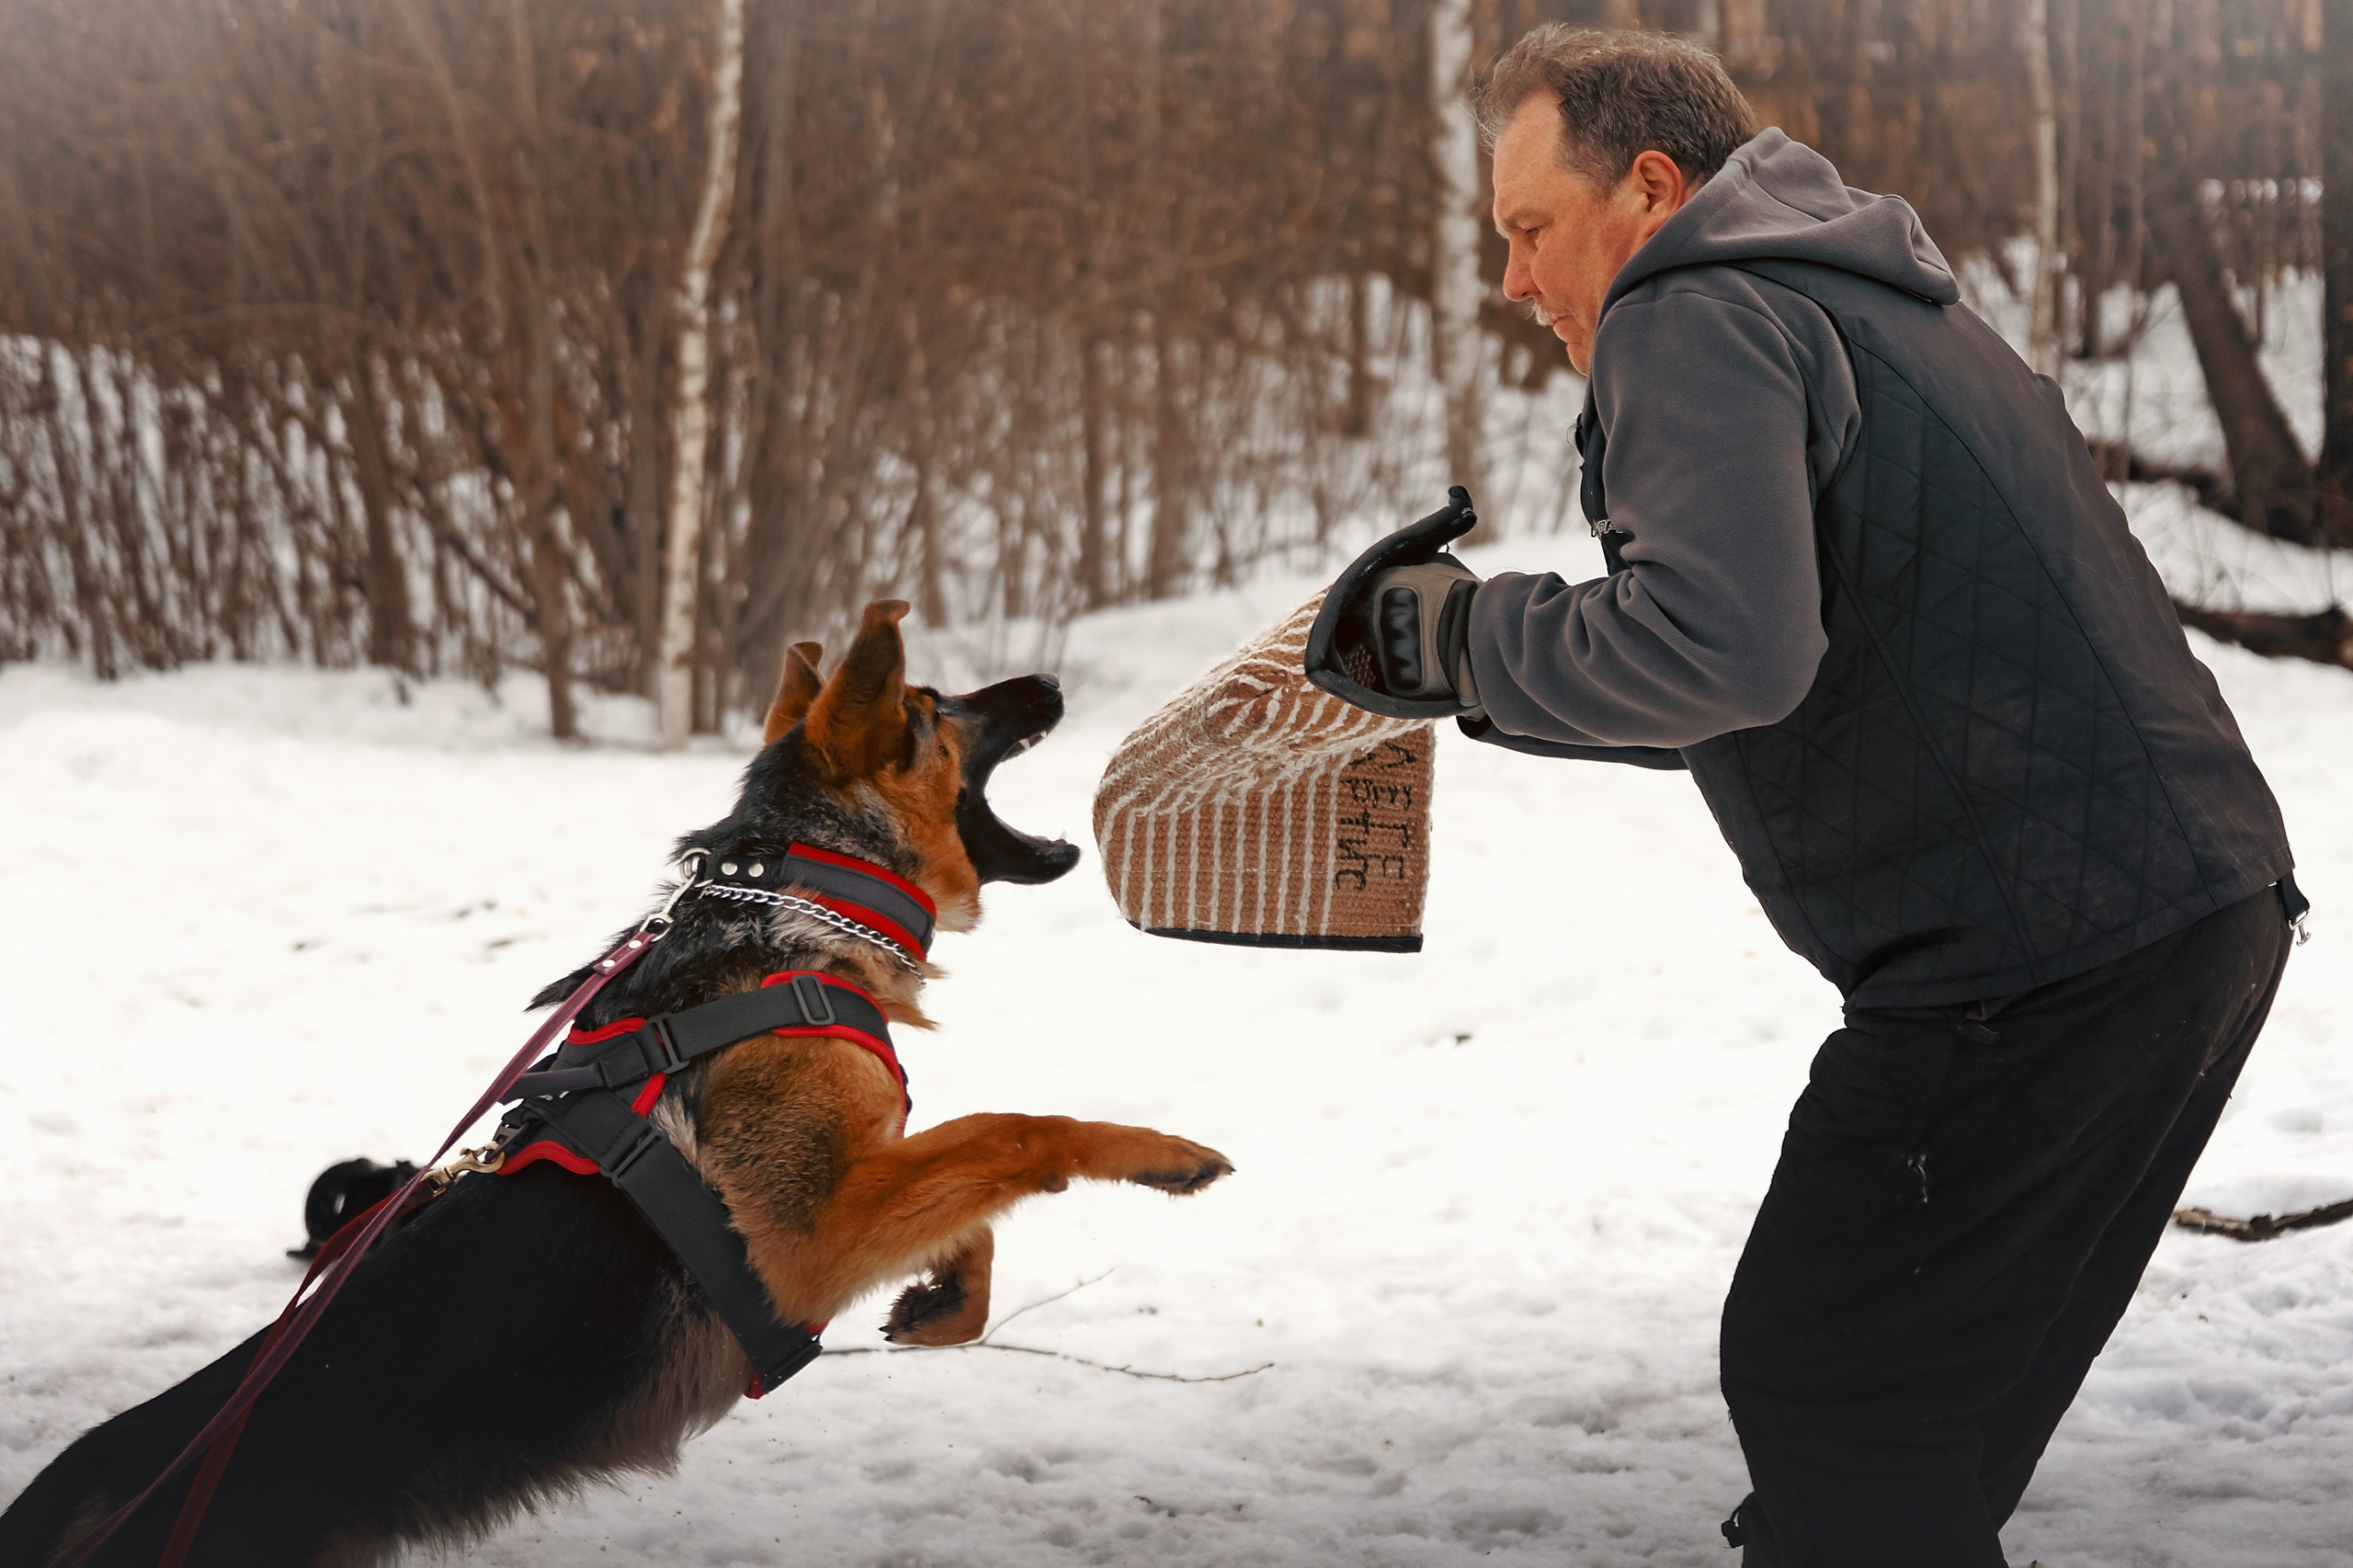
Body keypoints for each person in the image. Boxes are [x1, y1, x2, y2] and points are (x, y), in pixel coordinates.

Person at [1323, 26, 2304, 1568]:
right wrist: (1480, 675)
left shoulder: (1688, 313)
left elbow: (1723, 647)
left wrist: (1462, 634)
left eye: (1527, 229)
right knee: (1899, 1442)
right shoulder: (1845, 284)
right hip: (2190, 919)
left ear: (1647, 188)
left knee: (1830, 1378)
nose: (1514, 283)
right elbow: (1771, 666)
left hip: (2035, 963)